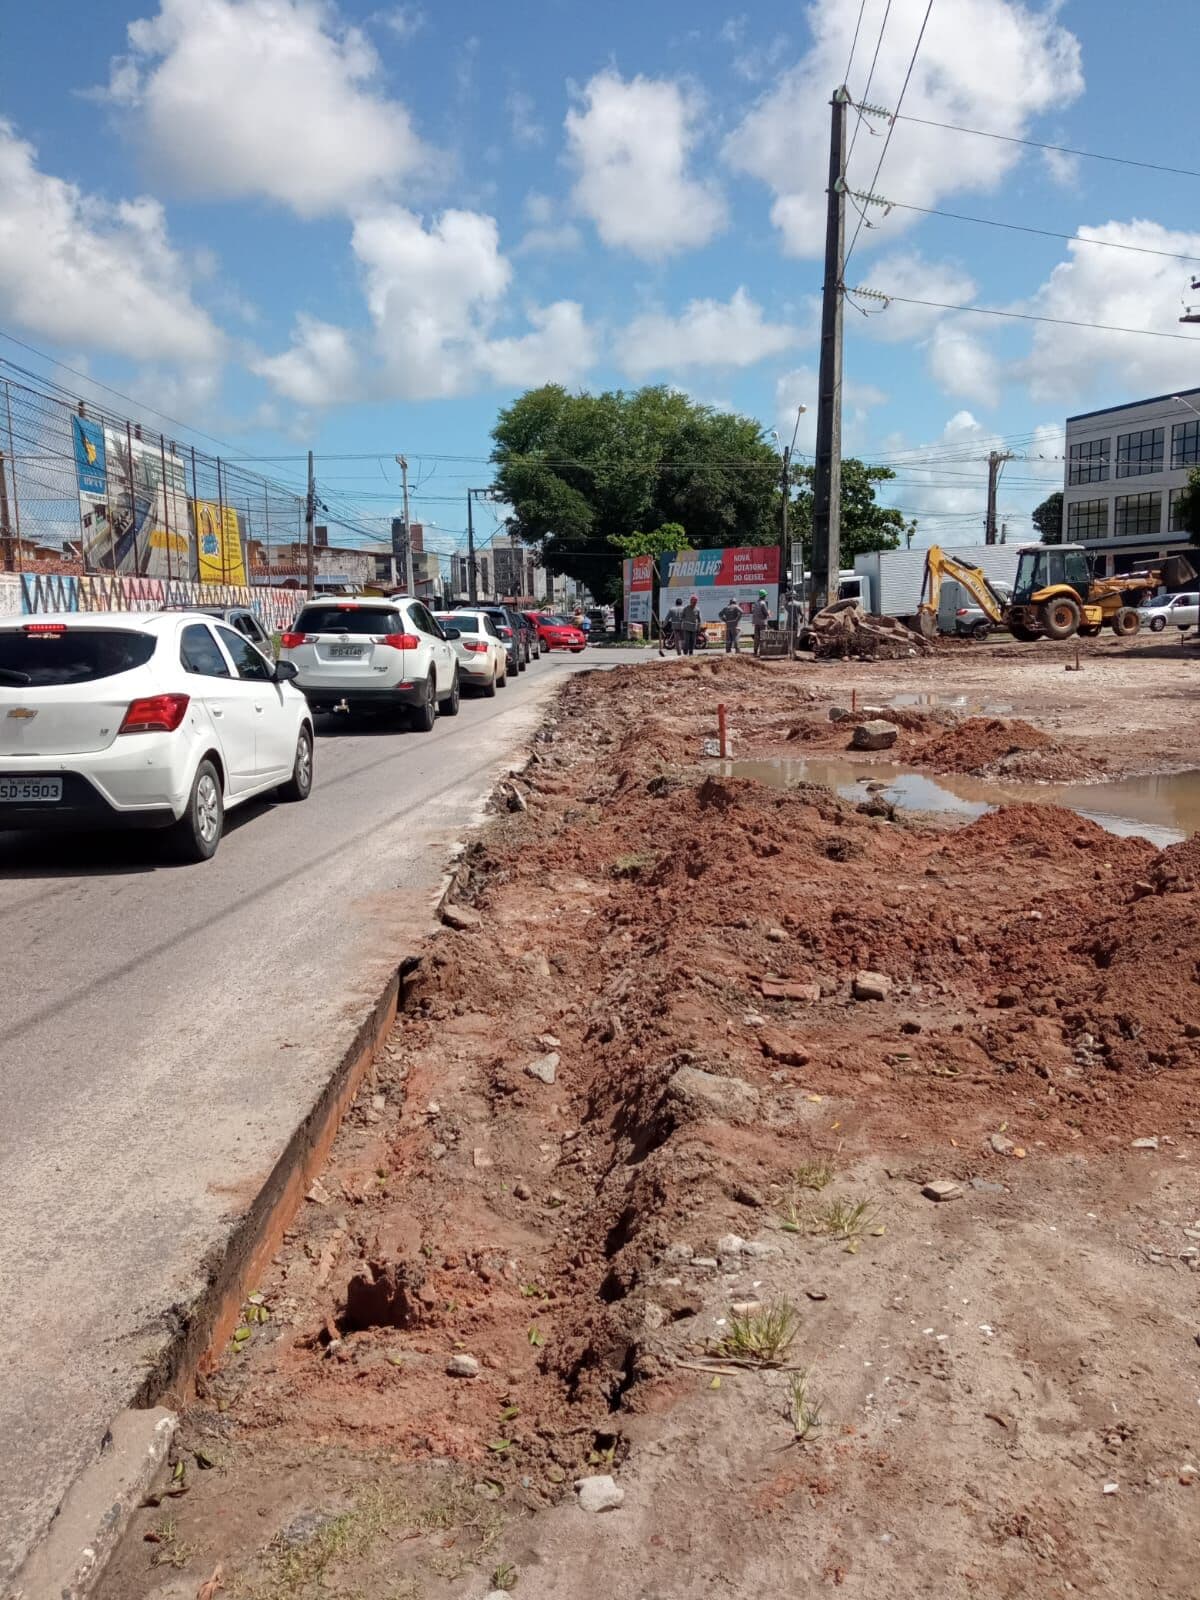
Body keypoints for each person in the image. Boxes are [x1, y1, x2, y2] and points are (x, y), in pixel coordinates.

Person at [751, 589, 771, 656]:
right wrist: (769, 613)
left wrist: (753, 621)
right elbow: (766, 613)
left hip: (756, 623)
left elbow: (754, 613)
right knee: (763, 637)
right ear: (763, 596)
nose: (765, 596)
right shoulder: (763, 603)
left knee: (756, 638)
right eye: (765, 595)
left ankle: (755, 651)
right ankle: (762, 652)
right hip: (762, 623)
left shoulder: (756, 603)